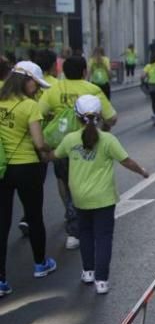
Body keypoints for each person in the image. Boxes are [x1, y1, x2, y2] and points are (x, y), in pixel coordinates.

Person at [54, 96, 148, 294]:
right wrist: (142, 171)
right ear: (99, 116)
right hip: (104, 198)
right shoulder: (107, 139)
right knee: (104, 237)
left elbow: (55, 155)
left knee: (85, 234)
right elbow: (126, 160)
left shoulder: (70, 139)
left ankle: (88, 271)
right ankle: (102, 281)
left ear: (77, 116)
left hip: (80, 197)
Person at [38, 55, 117, 249]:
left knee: (64, 181)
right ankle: (83, 220)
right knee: (86, 182)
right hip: (88, 145)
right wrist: (103, 131)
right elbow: (112, 118)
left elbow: (38, 114)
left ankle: (72, 219)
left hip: (62, 146)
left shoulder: (54, 89)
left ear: (64, 71)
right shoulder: (92, 90)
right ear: (84, 72)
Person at [0, 61, 56, 297]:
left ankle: (1, 281)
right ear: (26, 80)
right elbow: (39, 143)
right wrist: (51, 150)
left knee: (2, 223)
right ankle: (40, 264)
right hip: (27, 167)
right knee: (34, 216)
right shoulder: (29, 106)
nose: (38, 88)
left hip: (2, 168)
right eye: (36, 83)